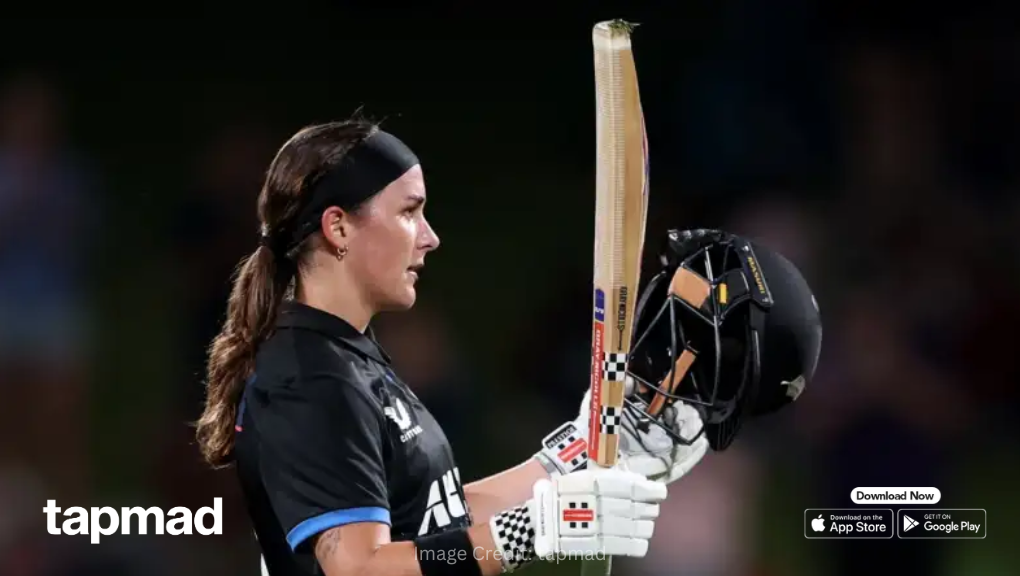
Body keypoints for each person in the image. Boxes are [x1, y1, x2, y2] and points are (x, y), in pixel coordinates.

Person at [194, 118, 709, 576]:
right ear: (338, 226)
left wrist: (568, 457)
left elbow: (432, 523)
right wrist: (531, 534)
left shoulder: (349, 358)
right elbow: (359, 569)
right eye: (409, 213)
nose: (430, 237)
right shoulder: (311, 376)